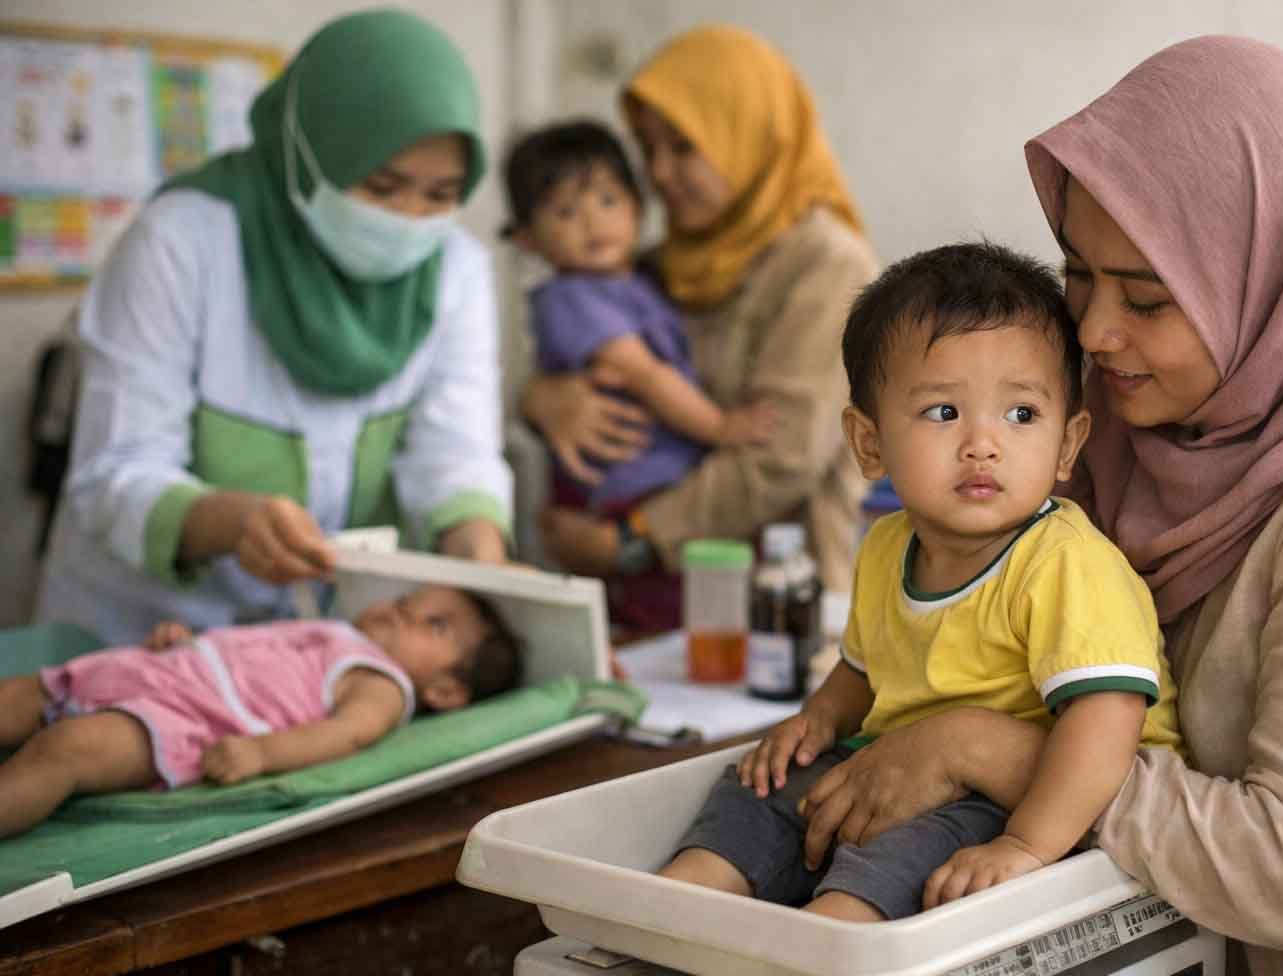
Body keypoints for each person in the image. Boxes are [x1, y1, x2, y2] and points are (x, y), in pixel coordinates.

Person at [790, 36, 1283, 976]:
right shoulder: (1132, 438)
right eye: (1079, 277)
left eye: (1146, 296)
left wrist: (986, 748)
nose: (1093, 332)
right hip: (1174, 966)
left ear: (1276, 279)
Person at [657, 243, 1182, 922]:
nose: (982, 444)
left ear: (1068, 445)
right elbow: (864, 670)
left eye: (1021, 414)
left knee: (903, 857)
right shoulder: (884, 546)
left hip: (1021, 800)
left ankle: (828, 942)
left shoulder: (1065, 562)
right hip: (896, 758)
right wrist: (817, 719)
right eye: (943, 413)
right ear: (869, 444)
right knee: (759, 787)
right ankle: (680, 904)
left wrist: (1026, 844)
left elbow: (1107, 721)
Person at [36, 9, 513, 646]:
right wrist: (228, 521)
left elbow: (454, 455)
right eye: (382, 185)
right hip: (144, 634)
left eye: (441, 193)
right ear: (309, 153)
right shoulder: (181, 243)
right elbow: (118, 469)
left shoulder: (455, 267)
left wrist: (488, 571)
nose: (410, 217)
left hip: (316, 650)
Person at [521, 25, 878, 631]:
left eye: (683, 146)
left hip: (776, 610)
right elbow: (582, 364)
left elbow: (780, 457)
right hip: (652, 612)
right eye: (646, 148)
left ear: (748, 133)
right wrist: (538, 400)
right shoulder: (660, 264)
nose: (658, 173)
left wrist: (630, 540)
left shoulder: (827, 264)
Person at [0, 584, 524, 838]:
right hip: (154, 671)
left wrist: (260, 752)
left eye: (436, 625)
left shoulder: (380, 683)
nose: (406, 610)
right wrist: (182, 642)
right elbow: (243, 652)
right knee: (17, 697)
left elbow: (346, 735)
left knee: (64, 750)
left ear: (448, 692)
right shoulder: (333, 630)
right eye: (409, 597)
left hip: (182, 721)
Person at [501, 119, 777, 555]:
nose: (593, 222)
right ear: (527, 238)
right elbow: (644, 374)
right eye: (565, 211)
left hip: (657, 481)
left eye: (609, 200)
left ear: (639, 207)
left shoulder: (642, 280)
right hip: (624, 489)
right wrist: (720, 426)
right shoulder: (570, 296)